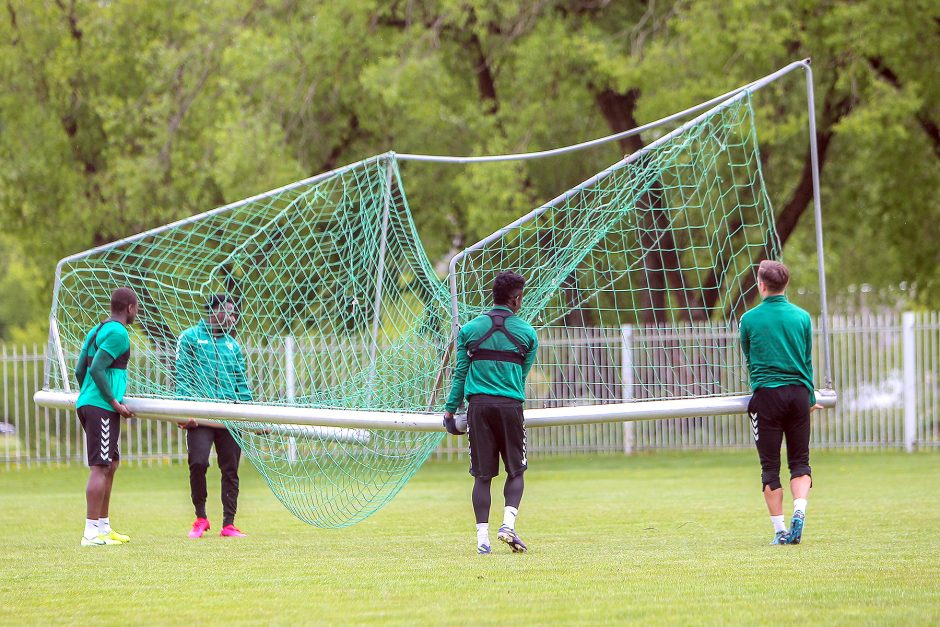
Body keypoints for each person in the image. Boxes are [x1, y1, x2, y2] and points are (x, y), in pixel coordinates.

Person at [443, 271, 538, 555]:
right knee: (516, 470)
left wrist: (450, 410)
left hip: (478, 409)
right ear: (515, 298)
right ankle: (507, 524)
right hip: (510, 407)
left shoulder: (470, 330)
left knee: (482, 477)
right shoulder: (528, 333)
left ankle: (482, 540)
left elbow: (459, 374)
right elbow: (520, 378)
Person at [740, 260, 822, 545]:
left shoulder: (748, 319)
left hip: (767, 399)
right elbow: (807, 360)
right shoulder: (802, 318)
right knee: (800, 461)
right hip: (799, 395)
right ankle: (800, 509)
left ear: (761, 285)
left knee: (769, 467)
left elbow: (749, 359)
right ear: (785, 285)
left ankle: (780, 531)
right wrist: (810, 398)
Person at [175, 294, 252, 539]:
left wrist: (250, 414)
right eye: (228, 312)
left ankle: (229, 524)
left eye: (234, 313)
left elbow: (242, 383)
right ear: (213, 312)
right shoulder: (190, 338)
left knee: (230, 469)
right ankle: (201, 518)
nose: (232, 318)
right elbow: (182, 377)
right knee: (198, 462)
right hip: (200, 415)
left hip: (229, 415)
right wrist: (183, 410)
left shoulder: (233, 346)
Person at [74, 287, 138, 546]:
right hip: (102, 406)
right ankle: (90, 533)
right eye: (137, 309)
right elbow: (97, 367)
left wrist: (88, 396)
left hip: (95, 404)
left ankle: (103, 527)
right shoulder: (119, 333)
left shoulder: (98, 329)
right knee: (100, 466)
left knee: (111, 464)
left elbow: (80, 370)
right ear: (130, 308)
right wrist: (112, 401)